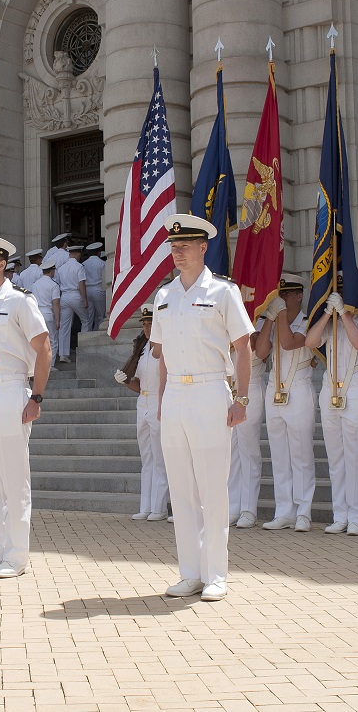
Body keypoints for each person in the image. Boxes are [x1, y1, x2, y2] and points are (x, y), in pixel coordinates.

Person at [151, 214, 253, 602]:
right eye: (173, 247)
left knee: (212, 488)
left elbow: (243, 346)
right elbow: (161, 355)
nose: (177, 253)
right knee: (181, 489)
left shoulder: (223, 292)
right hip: (176, 393)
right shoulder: (164, 295)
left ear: (203, 247)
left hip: (211, 389)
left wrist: (241, 398)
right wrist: (163, 399)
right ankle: (190, 572)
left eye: (184, 246)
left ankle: (216, 574)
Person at [0, 234, 51, 580]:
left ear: (3, 264)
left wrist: (37, 397)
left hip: (12, 387)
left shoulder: (19, 301)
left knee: (14, 480)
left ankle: (17, 555)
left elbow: (44, 348)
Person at [306, 290, 358, 535]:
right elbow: (311, 342)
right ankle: (340, 515)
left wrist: (345, 315)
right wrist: (328, 314)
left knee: (357, 456)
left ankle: (357, 516)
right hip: (331, 390)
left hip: (356, 389)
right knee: (335, 457)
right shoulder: (332, 321)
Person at [258, 275, 316, 532]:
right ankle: (284, 510)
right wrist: (269, 318)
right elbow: (261, 352)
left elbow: (289, 342)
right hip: (274, 390)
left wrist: (279, 315)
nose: (283, 298)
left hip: (299, 389)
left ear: (299, 295)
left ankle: (304, 511)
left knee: (301, 454)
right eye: (280, 294)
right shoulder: (271, 317)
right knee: (279, 455)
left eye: (288, 294)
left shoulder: (308, 322)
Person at [114, 307, 168, 522]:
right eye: (144, 324)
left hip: (158, 401)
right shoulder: (142, 349)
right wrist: (126, 381)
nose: (146, 327)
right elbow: (137, 385)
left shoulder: (164, 349)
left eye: (150, 323)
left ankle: (159, 507)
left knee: (159, 457)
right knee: (147, 457)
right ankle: (146, 505)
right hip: (143, 402)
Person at [227, 312, 267, 528]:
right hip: (228, 385)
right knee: (232, 454)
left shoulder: (258, 320)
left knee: (248, 450)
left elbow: (256, 351)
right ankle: (233, 505)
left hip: (249, 386)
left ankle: (248, 509)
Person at [55, 244, 88, 363]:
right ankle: (84, 349)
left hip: (64, 296)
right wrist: (85, 299)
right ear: (78, 254)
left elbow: (57, 284)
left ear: (69, 254)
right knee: (86, 320)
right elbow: (81, 284)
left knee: (64, 326)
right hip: (76, 295)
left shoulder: (61, 268)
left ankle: (63, 354)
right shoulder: (79, 267)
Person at [31, 258, 61, 367]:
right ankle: (50, 365)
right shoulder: (54, 285)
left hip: (37, 314)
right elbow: (56, 303)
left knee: (38, 341)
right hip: (48, 314)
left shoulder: (35, 284)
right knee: (52, 340)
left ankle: (38, 365)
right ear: (52, 271)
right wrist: (58, 320)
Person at [82, 242, 106, 330]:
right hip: (98, 289)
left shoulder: (84, 264)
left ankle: (87, 335)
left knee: (89, 316)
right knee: (101, 315)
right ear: (98, 252)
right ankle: (98, 333)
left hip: (87, 290)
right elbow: (105, 278)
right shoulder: (102, 263)